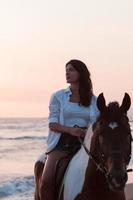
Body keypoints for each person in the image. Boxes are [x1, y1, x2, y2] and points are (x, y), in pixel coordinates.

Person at [34, 59, 99, 200]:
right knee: (46, 182)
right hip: (62, 144)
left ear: (81, 73)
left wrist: (85, 131)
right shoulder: (58, 96)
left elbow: (95, 124)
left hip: (85, 143)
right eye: (66, 70)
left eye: (71, 70)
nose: (67, 73)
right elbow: (52, 124)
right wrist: (71, 130)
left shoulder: (93, 100)